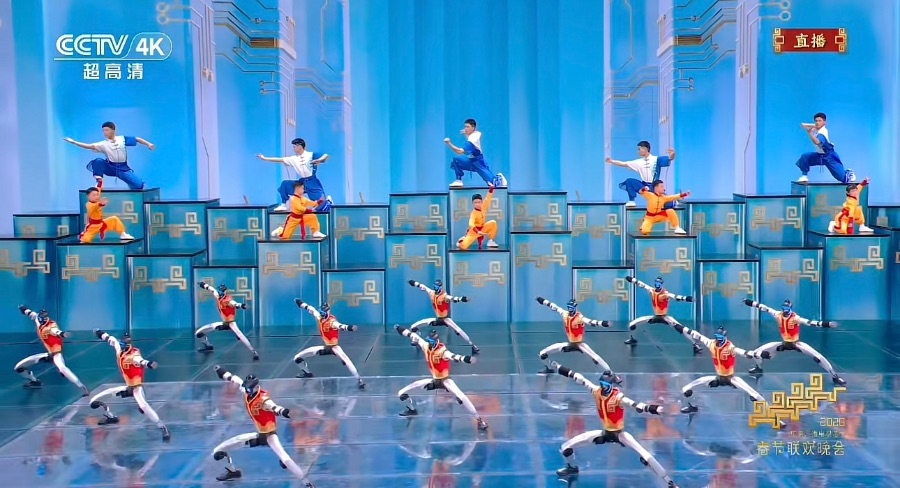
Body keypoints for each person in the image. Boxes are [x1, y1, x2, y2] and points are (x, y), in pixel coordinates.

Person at [548, 363, 678, 487]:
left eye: (606, 385)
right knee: (566, 447)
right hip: (605, 432)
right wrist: (559, 368)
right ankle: (571, 467)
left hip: (620, 434)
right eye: (602, 384)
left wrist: (655, 409)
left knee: (646, 456)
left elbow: (637, 406)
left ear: (611, 385)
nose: (603, 388)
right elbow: (580, 379)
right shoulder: (597, 391)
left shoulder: (618, 397)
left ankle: (669, 483)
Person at [211, 366, 314, 486]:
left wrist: (283, 411)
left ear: (255, 387)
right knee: (218, 450)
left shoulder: (263, 400)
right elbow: (233, 378)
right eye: (246, 388)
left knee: (286, 459)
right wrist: (220, 371)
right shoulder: (247, 391)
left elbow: (273, 407)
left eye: (249, 389)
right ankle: (233, 472)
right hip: (259, 435)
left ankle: (307, 484)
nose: (247, 391)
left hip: (270, 436)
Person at [671, 325, 782, 428]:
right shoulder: (711, 343)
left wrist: (759, 354)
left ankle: (777, 419)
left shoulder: (730, 348)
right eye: (717, 338)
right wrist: (681, 328)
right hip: (718, 377)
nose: (718, 340)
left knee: (755, 395)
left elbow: (745, 353)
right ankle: (692, 407)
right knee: (686, 389)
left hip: (731, 378)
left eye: (720, 338)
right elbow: (697, 335)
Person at [393, 325, 488, 431]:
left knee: (462, 397)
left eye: (431, 342)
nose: (429, 344)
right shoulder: (425, 345)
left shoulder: (442, 351)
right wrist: (399, 328)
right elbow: (411, 335)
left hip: (446, 380)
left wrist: (466, 359)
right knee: (401, 393)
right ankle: (412, 410)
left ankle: (480, 420)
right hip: (434, 380)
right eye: (429, 341)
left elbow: (455, 356)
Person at [88, 329, 171, 441]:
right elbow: (110, 339)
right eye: (122, 343)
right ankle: (111, 417)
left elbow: (141, 361)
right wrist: (99, 332)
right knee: (94, 401)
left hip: (136, 388)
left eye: (126, 344)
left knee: (144, 407)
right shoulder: (119, 348)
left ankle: (162, 427)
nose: (122, 346)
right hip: (128, 387)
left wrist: (149, 364)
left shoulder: (133, 355)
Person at [743, 299, 846, 385]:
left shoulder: (795, 318)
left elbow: (811, 323)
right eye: (784, 307)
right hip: (784, 343)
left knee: (819, 357)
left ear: (790, 308)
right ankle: (758, 368)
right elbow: (763, 307)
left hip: (796, 343)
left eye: (787, 307)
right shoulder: (778, 314)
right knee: (756, 352)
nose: (785, 309)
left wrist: (827, 324)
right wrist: (748, 302)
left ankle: (835, 377)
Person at [534, 297, 621, 383]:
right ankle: (550, 367)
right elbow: (554, 306)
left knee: (596, 358)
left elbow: (591, 322)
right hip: (570, 344)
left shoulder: (579, 318)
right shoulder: (565, 314)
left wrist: (603, 323)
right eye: (569, 307)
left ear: (575, 307)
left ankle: (612, 375)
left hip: (579, 344)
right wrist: (542, 300)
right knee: (542, 354)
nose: (570, 310)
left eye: (572, 307)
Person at [15, 305, 90, 395]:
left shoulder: (50, 326)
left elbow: (56, 331)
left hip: (57, 355)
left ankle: (81, 387)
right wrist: (22, 308)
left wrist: (62, 334)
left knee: (63, 369)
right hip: (48, 354)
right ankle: (35, 381)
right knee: (19, 368)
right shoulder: (37, 319)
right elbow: (30, 313)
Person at [293, 300, 366, 389]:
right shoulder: (319, 317)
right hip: (325, 347)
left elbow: (341, 326)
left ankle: (359, 380)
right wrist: (300, 303)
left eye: (323, 312)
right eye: (321, 312)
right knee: (297, 358)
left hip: (334, 348)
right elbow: (309, 308)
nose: (322, 314)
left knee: (347, 361)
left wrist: (349, 328)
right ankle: (307, 373)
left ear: (328, 311)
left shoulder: (332, 322)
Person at [64, 121, 154, 189]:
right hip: (110, 167)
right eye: (103, 131)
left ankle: (133, 185)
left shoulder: (122, 139)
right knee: (98, 161)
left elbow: (137, 139)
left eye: (106, 130)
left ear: (113, 130)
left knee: (139, 185)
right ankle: (99, 181)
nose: (105, 132)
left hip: (123, 168)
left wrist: (148, 144)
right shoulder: (103, 144)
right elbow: (89, 146)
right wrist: (74, 142)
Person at [623, 276, 701, 353]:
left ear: (661, 284)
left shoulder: (665, 294)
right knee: (632, 324)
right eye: (656, 283)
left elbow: (675, 297)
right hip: (655, 317)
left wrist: (686, 298)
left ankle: (695, 345)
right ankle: (632, 339)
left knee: (682, 329)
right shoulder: (652, 291)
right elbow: (641, 284)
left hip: (665, 317)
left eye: (659, 283)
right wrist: (632, 279)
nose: (657, 285)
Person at [257, 138, 333, 212]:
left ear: (299, 146)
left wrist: (319, 160)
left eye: (294, 146)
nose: (293, 148)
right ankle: (283, 204)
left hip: (312, 181)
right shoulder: (293, 159)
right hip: (302, 182)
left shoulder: (311, 155)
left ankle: (329, 201)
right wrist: (265, 158)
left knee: (321, 206)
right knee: (285, 184)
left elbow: (325, 156)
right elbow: (280, 159)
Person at [407, 279, 479, 354]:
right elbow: (421, 286)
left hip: (445, 319)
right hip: (437, 319)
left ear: (440, 287)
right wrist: (413, 282)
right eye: (435, 286)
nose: (436, 288)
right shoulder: (431, 293)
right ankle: (416, 339)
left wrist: (462, 299)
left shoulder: (444, 296)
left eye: (437, 286)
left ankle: (473, 345)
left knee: (459, 330)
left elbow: (454, 298)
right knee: (413, 327)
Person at [195, 282, 259, 360]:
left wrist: (241, 305)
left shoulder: (228, 300)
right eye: (219, 291)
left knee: (241, 336)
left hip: (231, 323)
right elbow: (211, 289)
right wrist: (202, 284)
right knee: (199, 333)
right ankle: (208, 345)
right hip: (223, 323)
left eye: (221, 292)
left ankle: (254, 351)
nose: (219, 293)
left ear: (224, 292)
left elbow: (235, 304)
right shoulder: (217, 295)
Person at [606, 141, 676, 208]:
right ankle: (631, 201)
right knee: (630, 181)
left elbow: (670, 158)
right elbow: (624, 164)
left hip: (654, 187)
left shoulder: (656, 159)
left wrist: (672, 155)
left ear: (645, 149)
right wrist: (611, 161)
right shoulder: (638, 162)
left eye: (639, 149)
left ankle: (673, 201)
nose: (638, 151)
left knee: (667, 204)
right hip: (644, 186)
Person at [445, 118, 507, 188]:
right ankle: (458, 180)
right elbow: (474, 134)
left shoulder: (471, 141)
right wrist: (465, 133)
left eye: (467, 127)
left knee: (493, 183)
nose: (465, 129)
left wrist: (449, 143)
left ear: (473, 128)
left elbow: (459, 151)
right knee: (456, 160)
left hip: (479, 162)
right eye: (465, 127)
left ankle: (500, 178)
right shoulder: (475, 133)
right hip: (471, 161)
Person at [796, 113, 856, 183]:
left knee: (842, 178)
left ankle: (849, 173)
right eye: (816, 121)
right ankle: (804, 175)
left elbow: (817, 142)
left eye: (820, 121)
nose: (817, 122)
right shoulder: (817, 129)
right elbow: (814, 128)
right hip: (820, 156)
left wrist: (810, 133)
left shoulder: (823, 131)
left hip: (829, 156)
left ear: (824, 122)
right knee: (805, 156)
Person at [456, 183, 499, 249]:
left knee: (493, 223)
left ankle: (491, 241)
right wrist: (477, 231)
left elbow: (488, 198)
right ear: (473, 203)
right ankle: (462, 240)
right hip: (474, 231)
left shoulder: (484, 207)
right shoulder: (473, 213)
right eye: (475, 202)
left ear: (481, 202)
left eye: (479, 202)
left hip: (483, 228)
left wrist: (491, 188)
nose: (477, 204)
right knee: (463, 246)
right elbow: (471, 223)